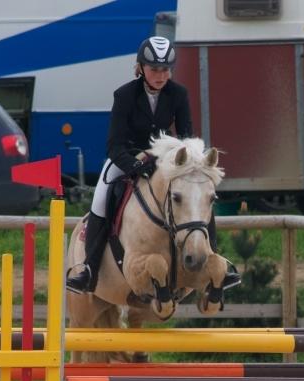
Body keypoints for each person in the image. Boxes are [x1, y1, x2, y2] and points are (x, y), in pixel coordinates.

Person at [67, 36, 239, 294]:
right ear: (141, 68)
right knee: (101, 199)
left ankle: (213, 256)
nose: (161, 75)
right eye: (155, 69)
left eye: (165, 69)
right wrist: (134, 166)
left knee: (198, 193)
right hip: (128, 158)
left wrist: (189, 162)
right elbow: (114, 145)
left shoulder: (178, 94)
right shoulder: (124, 95)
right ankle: (89, 269)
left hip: (166, 160)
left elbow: (186, 137)